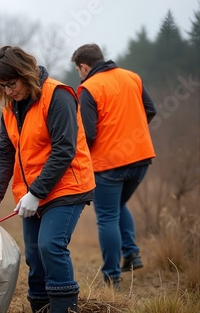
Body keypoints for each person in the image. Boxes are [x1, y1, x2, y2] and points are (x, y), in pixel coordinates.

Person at [0, 45, 95, 313]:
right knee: (34, 254)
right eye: (2, 86)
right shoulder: (10, 108)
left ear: (25, 73)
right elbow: (4, 153)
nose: (8, 91)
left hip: (67, 186)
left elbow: (64, 149)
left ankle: (64, 308)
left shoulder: (58, 96)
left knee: (50, 245)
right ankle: (41, 307)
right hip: (32, 193)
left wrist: (37, 192)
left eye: (11, 83)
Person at [71, 43, 156, 287]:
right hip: (141, 158)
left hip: (109, 164)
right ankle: (130, 253)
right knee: (119, 205)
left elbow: (88, 133)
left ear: (84, 67)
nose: (80, 74)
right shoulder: (132, 77)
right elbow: (150, 110)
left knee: (107, 216)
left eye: (78, 70)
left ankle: (112, 276)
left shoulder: (88, 88)